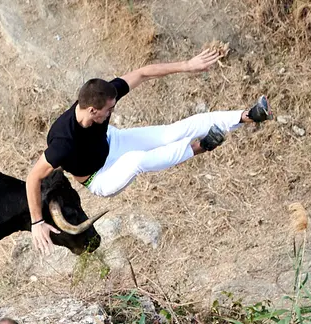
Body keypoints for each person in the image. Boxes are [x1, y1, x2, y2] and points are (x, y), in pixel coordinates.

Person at [25, 48, 274, 254]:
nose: (111, 112)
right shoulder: (62, 142)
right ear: (92, 110)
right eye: (108, 111)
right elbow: (33, 177)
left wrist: (187, 64)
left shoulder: (99, 98)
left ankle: (247, 116)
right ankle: (199, 147)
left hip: (113, 143)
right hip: (100, 177)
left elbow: (143, 73)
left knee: (171, 132)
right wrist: (37, 222)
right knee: (136, 160)